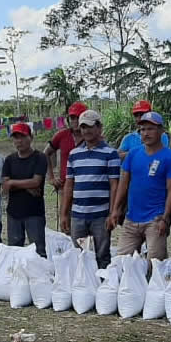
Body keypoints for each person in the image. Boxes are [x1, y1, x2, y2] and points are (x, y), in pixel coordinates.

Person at [109, 111, 171, 260]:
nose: (146, 133)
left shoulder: (170, 157)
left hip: (155, 219)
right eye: (143, 129)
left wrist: (165, 218)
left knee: (155, 265)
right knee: (121, 262)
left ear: (161, 130)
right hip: (132, 218)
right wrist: (116, 210)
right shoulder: (133, 154)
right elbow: (123, 184)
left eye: (150, 129)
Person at [62, 110, 121, 268]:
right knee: (79, 255)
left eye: (90, 126)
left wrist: (112, 213)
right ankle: (83, 288)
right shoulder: (74, 155)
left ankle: (103, 287)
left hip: (100, 216)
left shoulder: (110, 154)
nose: (86, 131)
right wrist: (64, 214)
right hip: (78, 214)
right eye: (83, 127)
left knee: (102, 255)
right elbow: (69, 185)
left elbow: (114, 185)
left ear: (99, 127)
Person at [3, 122, 48, 256]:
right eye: (16, 137)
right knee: (14, 251)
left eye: (22, 136)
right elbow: (5, 186)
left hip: (34, 213)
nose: (19, 141)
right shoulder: (9, 160)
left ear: (31, 137)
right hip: (14, 213)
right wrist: (26, 186)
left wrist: (13, 183)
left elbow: (36, 182)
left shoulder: (40, 158)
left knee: (39, 251)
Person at [45, 101, 87, 230]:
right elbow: (46, 153)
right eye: (72, 117)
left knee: (85, 224)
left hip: (86, 188)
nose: (74, 121)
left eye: (77, 117)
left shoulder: (92, 136)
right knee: (66, 223)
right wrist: (51, 177)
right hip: (65, 186)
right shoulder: (61, 135)